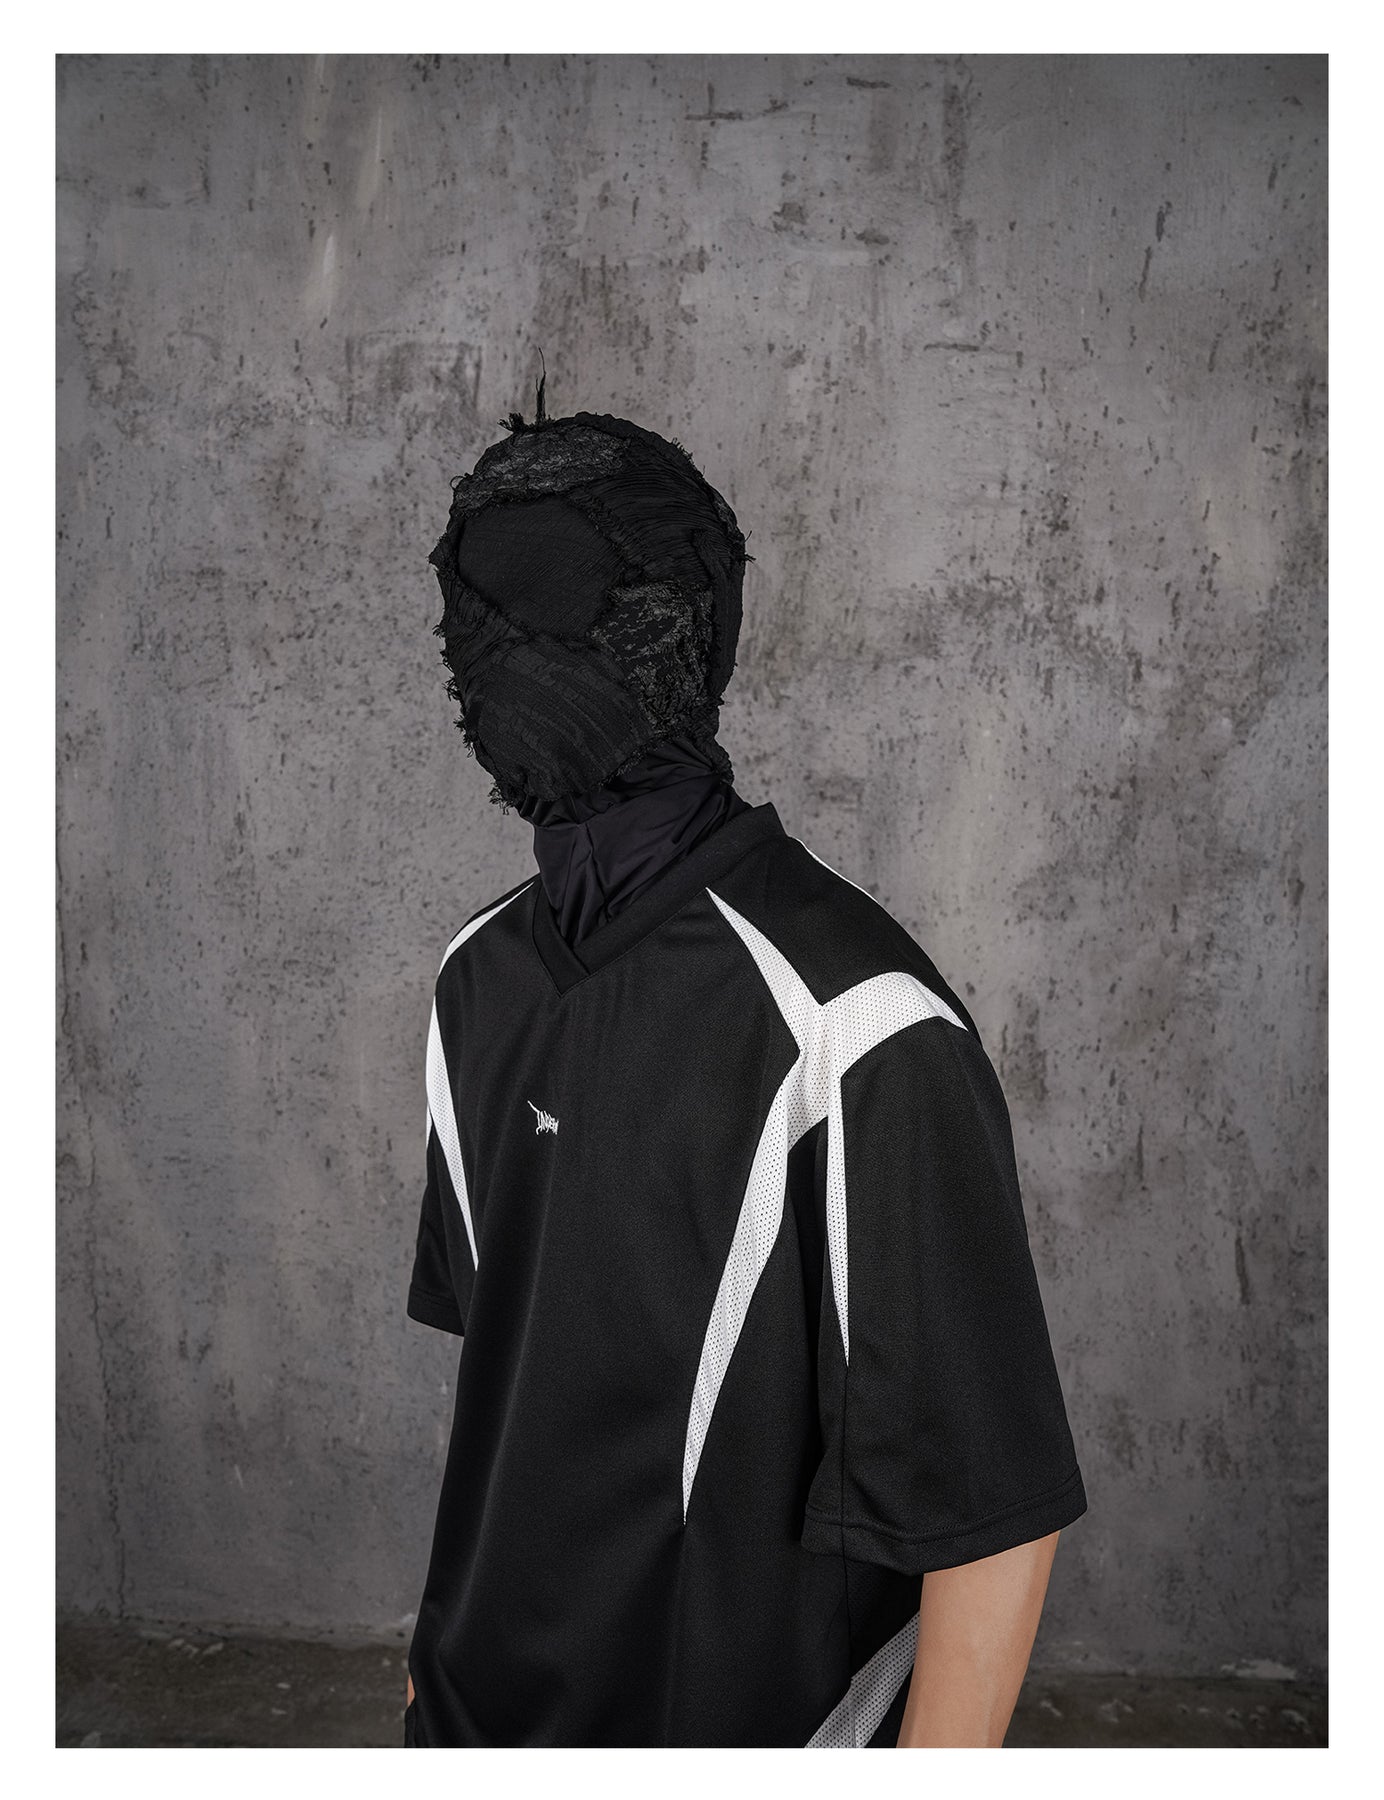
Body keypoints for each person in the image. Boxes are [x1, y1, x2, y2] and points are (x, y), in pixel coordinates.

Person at [401, 373, 1088, 1748]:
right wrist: (433, 1668)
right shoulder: (476, 977)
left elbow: (992, 1515)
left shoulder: (860, 1027)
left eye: (557, 601)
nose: (501, 650)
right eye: (478, 606)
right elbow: (516, 1386)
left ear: (685, 631)